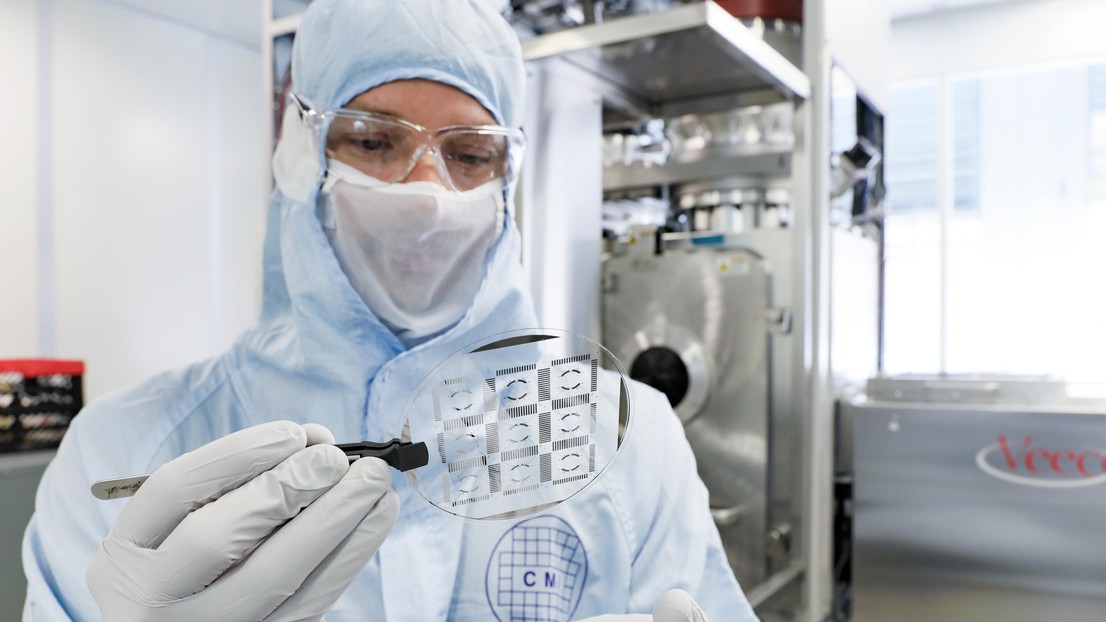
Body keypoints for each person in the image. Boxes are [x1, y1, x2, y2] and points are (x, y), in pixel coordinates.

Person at [22, 1, 759, 621]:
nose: (427, 195)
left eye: (470, 155)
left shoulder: (624, 439)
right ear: (300, 156)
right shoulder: (124, 452)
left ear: (507, 179)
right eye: (374, 142)